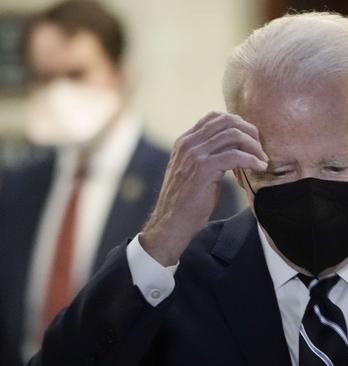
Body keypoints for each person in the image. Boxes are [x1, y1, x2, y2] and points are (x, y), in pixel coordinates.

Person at [27, 12, 348, 366]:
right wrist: (160, 239)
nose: (311, 193)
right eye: (280, 170)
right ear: (238, 157)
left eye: (336, 167)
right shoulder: (173, 287)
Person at [0, 1, 240, 365]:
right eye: (45, 77)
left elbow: (201, 326)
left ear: (121, 74)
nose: (59, 93)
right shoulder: (17, 185)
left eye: (76, 74)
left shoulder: (187, 184)